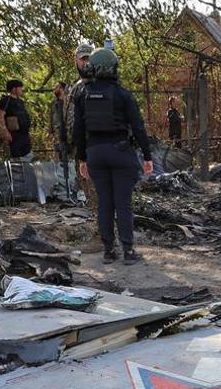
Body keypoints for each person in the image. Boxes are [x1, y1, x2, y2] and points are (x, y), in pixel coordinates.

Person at [73, 48, 154, 264]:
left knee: (105, 203)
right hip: (120, 152)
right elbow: (138, 127)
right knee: (123, 204)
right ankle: (128, 251)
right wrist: (147, 156)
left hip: (95, 154)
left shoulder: (82, 95)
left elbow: (77, 130)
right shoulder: (123, 94)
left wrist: (82, 158)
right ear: (113, 68)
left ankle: (108, 251)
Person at [49, 81, 77, 200]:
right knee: (59, 163)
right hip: (58, 137)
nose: (54, 89)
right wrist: (50, 132)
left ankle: (72, 190)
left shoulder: (70, 103)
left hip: (69, 137)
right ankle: (62, 191)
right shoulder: (54, 104)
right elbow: (52, 119)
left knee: (70, 163)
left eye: (57, 87)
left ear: (62, 89)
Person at [0, 79, 33, 159]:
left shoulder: (20, 101)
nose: (21, 90)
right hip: (14, 135)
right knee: (17, 158)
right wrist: (5, 132)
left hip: (24, 134)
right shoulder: (5, 101)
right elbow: (1, 117)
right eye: (19, 88)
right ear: (14, 89)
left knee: (28, 156)